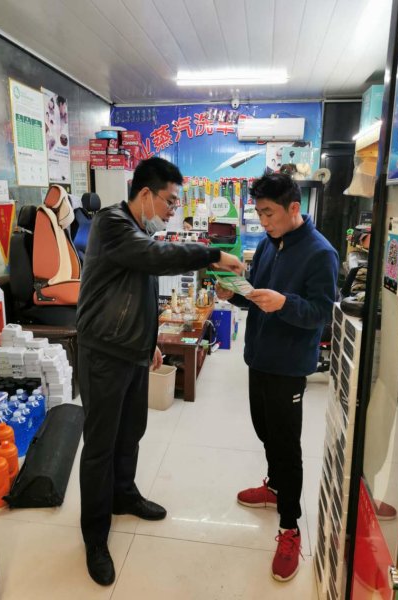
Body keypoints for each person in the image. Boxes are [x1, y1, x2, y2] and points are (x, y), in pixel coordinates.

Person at [76, 157, 243, 586]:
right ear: (146, 194)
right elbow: (156, 258)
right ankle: (94, 536)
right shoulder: (112, 225)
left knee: (131, 431)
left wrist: (149, 340)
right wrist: (213, 254)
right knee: (100, 446)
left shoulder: (138, 231)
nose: (172, 211)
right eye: (169, 201)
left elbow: (139, 290)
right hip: (104, 353)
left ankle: (124, 495)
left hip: (132, 351)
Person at [216, 173, 338, 582]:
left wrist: (285, 303)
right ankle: (274, 487)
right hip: (259, 357)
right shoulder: (270, 244)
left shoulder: (321, 253)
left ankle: (290, 526)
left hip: (288, 365)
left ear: (293, 208)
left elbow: (322, 313)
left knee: (286, 444)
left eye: (269, 213)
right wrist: (236, 294)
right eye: (259, 213)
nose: (264, 221)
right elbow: (259, 297)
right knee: (265, 430)